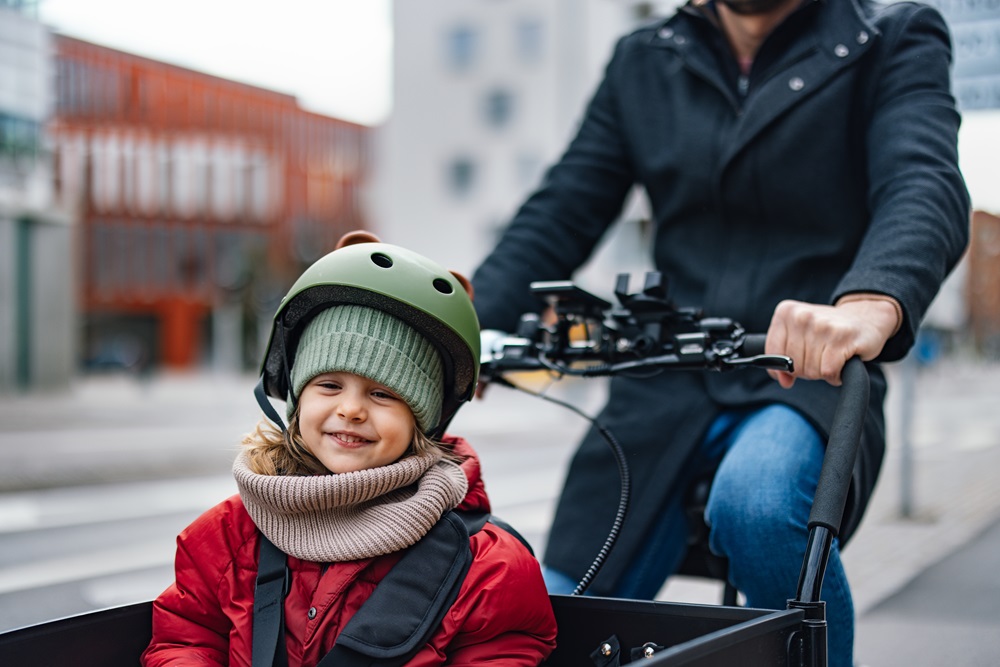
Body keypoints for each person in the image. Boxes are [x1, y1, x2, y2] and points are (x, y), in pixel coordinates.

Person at [470, 0, 970, 665]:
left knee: (757, 503)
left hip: (806, 370)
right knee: (556, 610)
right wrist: (457, 326)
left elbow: (922, 178)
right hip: (663, 379)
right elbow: (562, 207)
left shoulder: (888, 37)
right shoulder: (644, 58)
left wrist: (868, 303)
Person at [142, 233, 557, 666]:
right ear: (295, 397)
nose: (351, 409)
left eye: (382, 394)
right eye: (329, 384)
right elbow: (186, 638)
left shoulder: (489, 568)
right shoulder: (228, 533)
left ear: (424, 419)